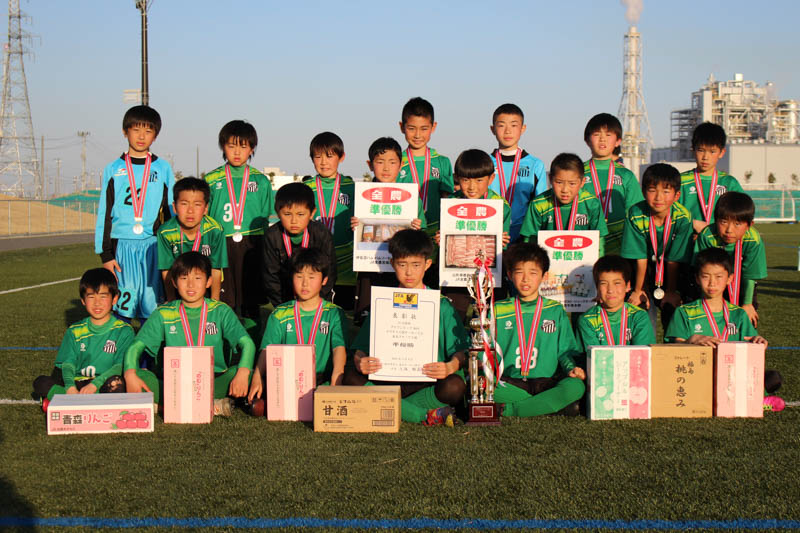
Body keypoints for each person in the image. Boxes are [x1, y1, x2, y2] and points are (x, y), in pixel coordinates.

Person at [344, 229, 469, 426]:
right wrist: (361, 362)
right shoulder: (382, 301)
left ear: (428, 264)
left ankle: (388, 404)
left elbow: (461, 352)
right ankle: (424, 414)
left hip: (426, 381)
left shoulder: (441, 304)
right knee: (350, 377)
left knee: (455, 386)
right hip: (386, 378)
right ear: (392, 263)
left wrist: (449, 367)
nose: (409, 272)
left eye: (416, 265)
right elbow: (360, 349)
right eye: (402, 265)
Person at [123, 252, 255, 416]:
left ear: (208, 281)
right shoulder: (164, 313)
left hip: (214, 381)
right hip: (174, 383)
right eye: (184, 278)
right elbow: (135, 347)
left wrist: (243, 371)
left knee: (249, 374)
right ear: (174, 282)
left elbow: (247, 343)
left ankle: (167, 406)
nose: (191, 285)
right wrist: (130, 374)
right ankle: (211, 404)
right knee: (135, 375)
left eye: (198, 278)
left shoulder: (220, 311)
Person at [95, 105, 174, 320]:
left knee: (152, 304)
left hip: (152, 245)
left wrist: (173, 246)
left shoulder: (163, 168)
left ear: (155, 136)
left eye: (148, 131)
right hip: (122, 245)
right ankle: (122, 341)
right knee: (123, 304)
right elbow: (104, 212)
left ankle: (149, 343)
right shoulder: (113, 169)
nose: (141, 136)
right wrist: (106, 254)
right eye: (136, 130)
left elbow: (170, 211)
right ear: (125, 131)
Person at [492, 242, 586, 417]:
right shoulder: (498, 309)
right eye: (519, 272)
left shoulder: (554, 310)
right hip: (509, 382)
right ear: (509, 275)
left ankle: (510, 409)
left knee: (575, 386)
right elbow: (489, 350)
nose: (525, 279)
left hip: (546, 382)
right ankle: (547, 406)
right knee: (483, 386)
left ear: (544, 276)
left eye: (533, 273)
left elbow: (565, 351)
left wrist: (571, 369)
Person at [248, 248, 347, 412]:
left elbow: (339, 348)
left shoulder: (334, 313)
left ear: (324, 280)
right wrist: (257, 377)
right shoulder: (280, 314)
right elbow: (267, 349)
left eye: (312, 277)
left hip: (321, 378)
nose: (305, 283)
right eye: (299, 276)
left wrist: (336, 381)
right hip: (287, 378)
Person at [350, 137, 425, 324]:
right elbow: (356, 235)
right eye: (380, 162)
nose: (386, 168)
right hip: (370, 266)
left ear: (401, 165)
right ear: (370, 165)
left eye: (392, 162)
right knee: (367, 320)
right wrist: (356, 226)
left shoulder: (411, 197)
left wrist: (416, 229)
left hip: (399, 268)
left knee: (397, 317)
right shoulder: (362, 196)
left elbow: (420, 236)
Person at [32, 269, 133, 405]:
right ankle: (77, 399)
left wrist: (94, 385)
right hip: (77, 384)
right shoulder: (75, 330)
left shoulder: (124, 331)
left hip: (103, 383)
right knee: (40, 382)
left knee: (117, 384)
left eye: (103, 297)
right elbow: (68, 363)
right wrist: (70, 387)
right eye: (91, 297)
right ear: (83, 300)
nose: (97, 303)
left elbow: (119, 366)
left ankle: (65, 401)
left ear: (114, 298)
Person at [205, 120, 274, 318]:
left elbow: (266, 217)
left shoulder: (261, 180)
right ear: (223, 146)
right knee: (223, 300)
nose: (237, 152)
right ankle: (225, 336)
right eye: (231, 146)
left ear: (252, 149)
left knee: (250, 301)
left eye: (243, 147)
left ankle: (251, 337)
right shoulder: (211, 179)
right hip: (220, 243)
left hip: (252, 244)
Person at [438, 148, 511, 322]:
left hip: (489, 273)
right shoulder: (450, 203)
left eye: (479, 180)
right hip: (457, 274)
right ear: (457, 178)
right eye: (465, 180)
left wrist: (502, 242)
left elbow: (504, 242)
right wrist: (441, 240)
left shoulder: (500, 205)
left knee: (489, 320)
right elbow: (446, 237)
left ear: (491, 179)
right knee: (453, 317)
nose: (472, 187)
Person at [621, 163, 694, 333]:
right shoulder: (636, 213)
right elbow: (639, 257)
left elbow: (675, 260)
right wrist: (639, 290)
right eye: (652, 190)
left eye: (666, 191)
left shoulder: (683, 217)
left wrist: (671, 291)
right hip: (642, 269)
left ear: (677, 195)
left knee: (673, 311)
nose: (658, 197)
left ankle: (675, 345)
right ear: (643, 191)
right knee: (640, 309)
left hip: (672, 270)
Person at [397, 97, 454, 287]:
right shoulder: (396, 162)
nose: (417, 135)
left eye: (424, 128)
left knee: (433, 288)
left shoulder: (442, 162)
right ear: (402, 127)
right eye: (411, 128)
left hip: (435, 236)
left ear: (433, 127)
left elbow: (448, 201)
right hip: (407, 234)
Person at [665, 248, 765, 345]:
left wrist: (758, 342)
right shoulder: (684, 313)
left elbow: (751, 342)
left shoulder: (739, 314)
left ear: (729, 279)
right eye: (705, 277)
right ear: (697, 279)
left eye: (718, 277)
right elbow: (673, 348)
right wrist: (689, 341)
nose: (712, 283)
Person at [694, 191, 766, 326]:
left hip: (742, 284)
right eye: (723, 222)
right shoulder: (707, 236)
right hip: (712, 282)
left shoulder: (753, 240)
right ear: (716, 220)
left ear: (749, 225)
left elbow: (750, 275)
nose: (729, 230)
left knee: (745, 321)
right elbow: (702, 271)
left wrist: (747, 303)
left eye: (737, 224)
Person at [262, 182, 337, 308]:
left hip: (318, 299)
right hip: (284, 299)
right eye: (287, 214)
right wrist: (284, 307)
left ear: (312, 213)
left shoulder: (321, 234)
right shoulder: (272, 236)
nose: (294, 221)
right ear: (278, 212)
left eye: (300, 214)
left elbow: (330, 272)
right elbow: (271, 277)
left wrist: (315, 302)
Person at [303, 132, 356, 308]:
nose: (324, 162)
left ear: (342, 157)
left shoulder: (352, 188)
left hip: (346, 262)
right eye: (318, 157)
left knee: (344, 313)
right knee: (315, 311)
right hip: (315, 260)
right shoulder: (305, 189)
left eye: (330, 156)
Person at [519, 153, 608, 255]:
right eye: (559, 182)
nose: (565, 190)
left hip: (583, 263)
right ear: (550, 179)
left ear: (582, 182)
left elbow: (599, 242)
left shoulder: (592, 204)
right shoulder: (538, 204)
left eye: (572, 183)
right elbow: (529, 242)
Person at [582, 113, 644, 255]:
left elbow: (636, 213)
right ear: (587, 140)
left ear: (618, 141)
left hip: (619, 244)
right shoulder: (578, 174)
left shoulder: (626, 176)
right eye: (596, 134)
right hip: (586, 241)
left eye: (608, 134)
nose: (602, 139)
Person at [157, 177, 227, 301]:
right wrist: (172, 302)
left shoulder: (215, 230)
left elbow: (216, 269)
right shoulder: (165, 232)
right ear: (174, 207)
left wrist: (215, 302)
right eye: (184, 204)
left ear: (206, 208)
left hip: (205, 285)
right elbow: (166, 270)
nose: (190, 211)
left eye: (197, 204)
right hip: (179, 285)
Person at [489, 103, 547, 242]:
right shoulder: (485, 163)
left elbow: (540, 205)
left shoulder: (535, 165)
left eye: (514, 125)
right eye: (501, 125)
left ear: (523, 129)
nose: (508, 131)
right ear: (493, 129)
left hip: (523, 234)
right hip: (490, 231)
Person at [576, 255, 656, 356]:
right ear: (597, 287)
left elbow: (643, 356)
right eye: (604, 283)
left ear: (627, 286)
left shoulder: (639, 316)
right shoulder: (587, 320)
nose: (610, 290)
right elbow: (595, 358)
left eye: (617, 283)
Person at [679, 122, 744, 234]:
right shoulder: (681, 181)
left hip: (720, 242)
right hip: (688, 241)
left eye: (712, 152)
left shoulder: (729, 183)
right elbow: (668, 214)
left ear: (721, 152)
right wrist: (693, 224)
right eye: (701, 150)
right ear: (693, 150)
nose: (705, 157)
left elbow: (742, 215)